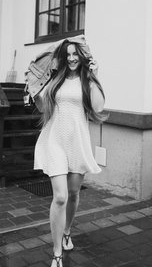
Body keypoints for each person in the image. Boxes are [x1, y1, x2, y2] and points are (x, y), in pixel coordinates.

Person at [33, 40, 106, 267]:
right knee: (61, 197)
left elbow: (98, 107)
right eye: (69, 54)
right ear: (63, 58)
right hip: (55, 140)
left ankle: (67, 231)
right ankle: (57, 253)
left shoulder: (87, 81)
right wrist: (33, 90)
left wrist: (94, 75)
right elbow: (43, 107)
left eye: (76, 54)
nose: (72, 58)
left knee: (73, 193)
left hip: (77, 141)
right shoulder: (56, 78)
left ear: (82, 57)